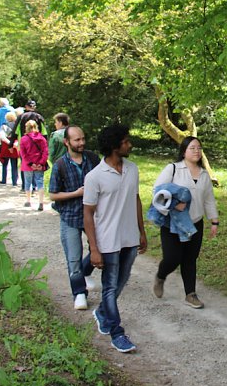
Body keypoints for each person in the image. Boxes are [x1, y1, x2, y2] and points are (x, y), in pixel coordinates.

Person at [83, 124, 147, 353]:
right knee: (110, 287)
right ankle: (117, 333)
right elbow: (88, 213)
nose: (130, 144)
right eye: (126, 141)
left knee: (121, 281)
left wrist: (141, 231)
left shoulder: (132, 169)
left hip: (129, 237)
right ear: (114, 146)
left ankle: (102, 312)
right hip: (107, 240)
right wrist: (94, 248)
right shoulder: (95, 177)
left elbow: (136, 199)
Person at [150, 136, 219, 309]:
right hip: (173, 223)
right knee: (172, 258)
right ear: (184, 151)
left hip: (195, 223)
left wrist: (214, 221)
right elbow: (157, 191)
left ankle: (190, 294)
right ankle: (161, 276)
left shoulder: (204, 174)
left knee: (190, 259)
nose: (197, 151)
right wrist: (174, 204)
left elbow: (209, 200)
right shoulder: (173, 169)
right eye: (192, 148)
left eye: (199, 148)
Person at [49, 125, 99, 311]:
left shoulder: (93, 159)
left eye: (83, 138)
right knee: (73, 258)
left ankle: (86, 271)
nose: (81, 143)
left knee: (101, 247)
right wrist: (76, 193)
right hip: (70, 217)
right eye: (77, 140)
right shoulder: (60, 165)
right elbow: (53, 195)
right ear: (66, 142)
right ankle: (79, 293)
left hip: (93, 215)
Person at [19, 119, 49, 210]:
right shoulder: (42, 138)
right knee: (40, 182)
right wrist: (41, 163)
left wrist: (30, 163)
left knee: (27, 182)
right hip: (39, 164)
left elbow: (23, 154)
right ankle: (41, 202)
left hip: (28, 165)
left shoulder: (23, 139)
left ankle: (28, 201)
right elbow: (45, 152)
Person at [0, 111, 20, 186]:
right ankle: (14, 181)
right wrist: (14, 144)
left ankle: (4, 180)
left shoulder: (4, 126)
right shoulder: (17, 126)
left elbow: (2, 136)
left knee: (4, 164)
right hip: (14, 146)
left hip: (5, 146)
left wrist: (9, 143)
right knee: (14, 164)